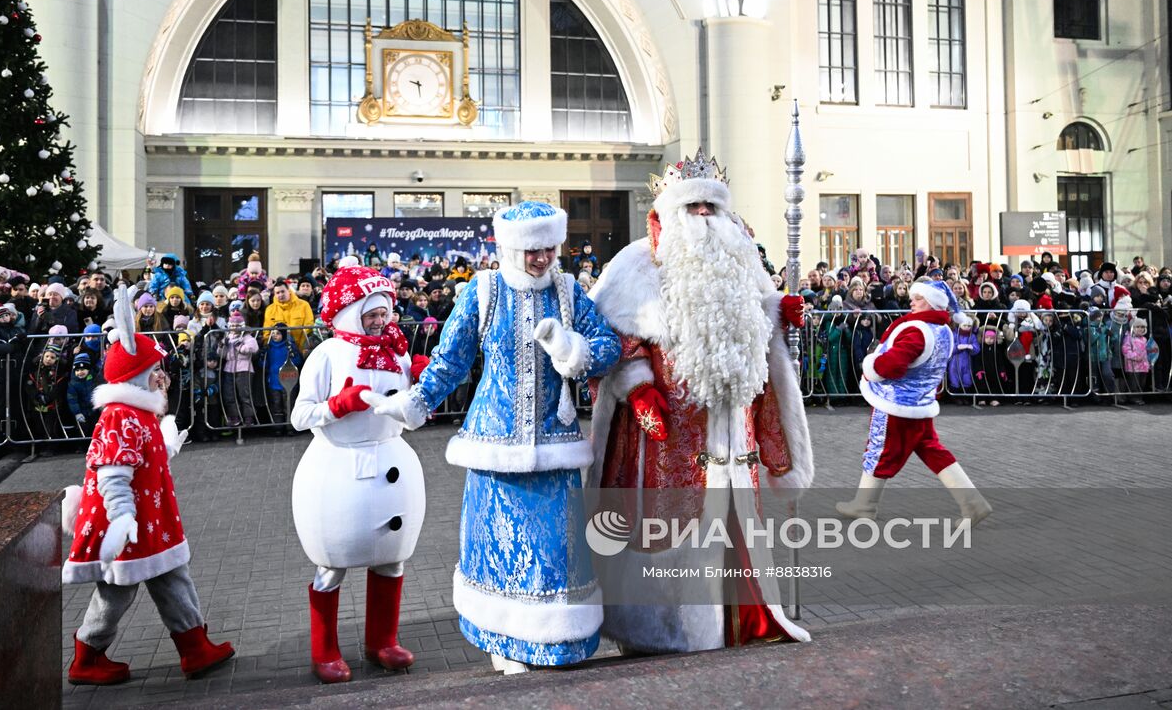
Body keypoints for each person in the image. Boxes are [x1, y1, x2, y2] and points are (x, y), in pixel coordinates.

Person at [369, 201, 621, 673]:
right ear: (509, 247)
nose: (543, 258)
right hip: (494, 446)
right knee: (500, 551)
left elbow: (608, 346)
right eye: (533, 250)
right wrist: (417, 402)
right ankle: (505, 644)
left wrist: (574, 349)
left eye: (549, 248)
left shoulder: (568, 293)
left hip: (554, 446)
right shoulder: (482, 292)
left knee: (555, 555)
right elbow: (451, 359)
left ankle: (556, 642)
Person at [585, 150, 813, 654]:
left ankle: (743, 619)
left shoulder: (742, 254)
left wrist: (778, 309)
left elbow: (752, 313)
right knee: (668, 525)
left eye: (712, 206)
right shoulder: (633, 263)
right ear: (669, 210)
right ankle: (662, 630)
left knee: (733, 521)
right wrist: (638, 385)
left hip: (733, 429)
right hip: (665, 433)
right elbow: (610, 335)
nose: (705, 215)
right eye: (694, 206)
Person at [61, 285, 234, 685]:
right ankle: (88, 656)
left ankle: (195, 648)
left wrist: (168, 446)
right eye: (155, 370)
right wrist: (123, 516)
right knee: (117, 590)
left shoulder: (138, 414)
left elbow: (140, 461)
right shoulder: (120, 415)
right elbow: (112, 472)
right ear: (137, 376)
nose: (163, 375)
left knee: (172, 576)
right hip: (129, 523)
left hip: (151, 521)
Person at [289, 268, 431, 683]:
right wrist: (338, 406)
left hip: (391, 464)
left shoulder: (397, 352)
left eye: (384, 312)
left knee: (392, 560)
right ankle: (325, 651)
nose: (380, 321)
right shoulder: (328, 353)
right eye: (370, 314)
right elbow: (300, 416)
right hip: (340, 470)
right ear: (350, 312)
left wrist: (421, 389)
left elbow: (412, 417)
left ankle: (382, 640)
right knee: (332, 564)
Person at [834, 278, 992, 525]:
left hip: (897, 404)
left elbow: (894, 364)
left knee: (880, 451)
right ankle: (973, 504)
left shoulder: (917, 330)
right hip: (921, 403)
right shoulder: (942, 330)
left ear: (932, 302)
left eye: (918, 298)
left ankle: (865, 505)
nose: (912, 301)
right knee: (933, 451)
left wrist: (871, 366)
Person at [264, 280, 315, 350]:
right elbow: (267, 332)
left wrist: (301, 347)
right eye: (277, 293)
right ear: (274, 294)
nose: (280, 295)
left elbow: (308, 327)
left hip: (300, 348)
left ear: (288, 290)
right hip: (277, 349)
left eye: (282, 291)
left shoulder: (304, 305)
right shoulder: (269, 309)